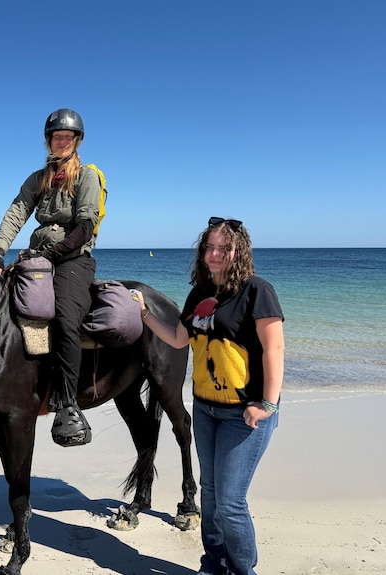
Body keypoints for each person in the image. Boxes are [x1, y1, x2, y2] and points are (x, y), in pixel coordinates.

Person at [134, 217, 284, 575]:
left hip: (245, 414)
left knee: (231, 502)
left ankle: (242, 570)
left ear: (238, 251)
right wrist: (143, 313)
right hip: (206, 410)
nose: (215, 254)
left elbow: (274, 348)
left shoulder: (256, 290)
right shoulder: (199, 294)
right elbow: (177, 338)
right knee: (212, 495)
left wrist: (266, 403)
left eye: (224, 248)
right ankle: (213, 565)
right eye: (209, 247)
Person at [0, 108, 102, 447]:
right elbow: (17, 211)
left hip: (72, 260)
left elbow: (84, 228)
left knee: (66, 319)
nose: (61, 141)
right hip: (39, 256)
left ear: (76, 141)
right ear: (49, 141)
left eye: (68, 137)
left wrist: (50, 254)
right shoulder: (39, 177)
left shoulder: (86, 177)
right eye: (56, 137)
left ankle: (68, 404)